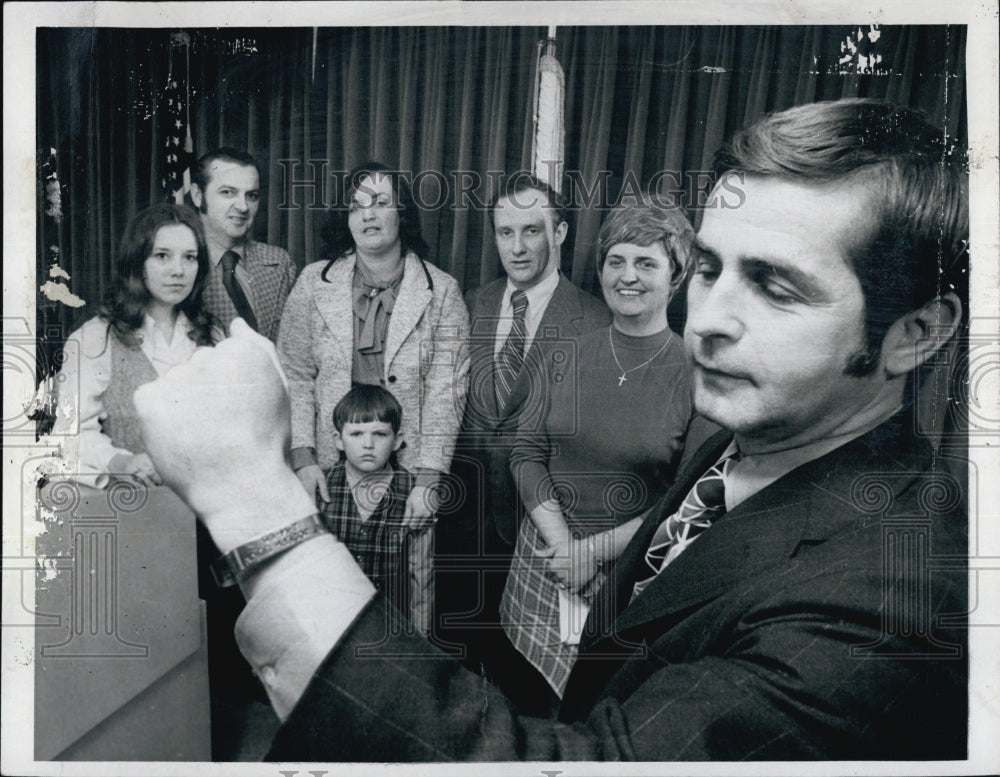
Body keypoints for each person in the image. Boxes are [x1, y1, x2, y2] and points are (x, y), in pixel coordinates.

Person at [135, 98, 969, 760]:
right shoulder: (749, 435)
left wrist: (251, 500)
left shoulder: (888, 601)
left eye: (778, 287)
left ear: (917, 333)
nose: (709, 318)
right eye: (712, 268)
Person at [499, 196, 694, 705]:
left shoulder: (697, 375)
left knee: (596, 716)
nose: (627, 276)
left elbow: (687, 499)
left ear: (677, 277)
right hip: (543, 561)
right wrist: (566, 545)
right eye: (616, 261)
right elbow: (525, 454)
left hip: (629, 575)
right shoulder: (564, 352)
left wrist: (592, 553)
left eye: (646, 263)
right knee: (523, 709)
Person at [277, 161, 470, 635]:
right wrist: (304, 460)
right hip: (331, 467)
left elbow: (448, 389)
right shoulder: (312, 283)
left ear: (402, 212)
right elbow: (296, 376)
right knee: (329, 590)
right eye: (357, 205)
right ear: (345, 218)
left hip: (410, 473)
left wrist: (429, 479)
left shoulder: (441, 291)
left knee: (410, 593)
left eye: (381, 202)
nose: (369, 215)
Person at [436, 174, 610, 697]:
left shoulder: (595, 320)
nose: (516, 247)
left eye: (531, 231)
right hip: (464, 517)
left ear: (559, 233)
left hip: (542, 524)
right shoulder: (471, 301)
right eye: (504, 231)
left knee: (523, 673)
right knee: (461, 657)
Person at [55, 201, 221, 486]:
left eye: (190, 257)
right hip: (141, 511)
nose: (178, 270)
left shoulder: (213, 335)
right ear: (137, 261)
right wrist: (121, 462)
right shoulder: (95, 338)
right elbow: (68, 435)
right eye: (162, 256)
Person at [320, 385, 429, 634]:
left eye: (379, 434)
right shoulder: (321, 488)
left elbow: (422, 573)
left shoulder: (412, 492)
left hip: (390, 622)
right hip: (329, 619)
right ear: (338, 440)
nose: (368, 444)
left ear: (397, 440)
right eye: (356, 434)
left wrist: (420, 640)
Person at [192, 147, 297, 342]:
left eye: (252, 196)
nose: (242, 206)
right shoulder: (181, 264)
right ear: (198, 196)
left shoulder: (279, 262)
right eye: (227, 192)